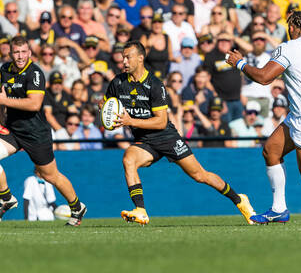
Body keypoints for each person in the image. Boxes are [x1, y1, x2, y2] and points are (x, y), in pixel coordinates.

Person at [103, 40, 256, 226]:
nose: (124, 61)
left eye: (128, 57)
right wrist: (106, 111)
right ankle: (141, 210)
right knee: (128, 159)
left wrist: (130, 121)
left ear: (140, 58)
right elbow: (106, 104)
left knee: (200, 175)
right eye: (122, 57)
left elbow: (161, 122)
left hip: (166, 137)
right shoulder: (117, 83)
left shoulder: (155, 85)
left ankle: (240, 200)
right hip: (144, 141)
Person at [226, 11, 301, 224]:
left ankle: (279, 209)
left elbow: (264, 78)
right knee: (271, 151)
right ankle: (279, 209)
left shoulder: (288, 47)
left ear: (292, 28)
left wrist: (240, 63)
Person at [0, 36, 86, 225]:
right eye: (16, 52)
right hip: (13, 131)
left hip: (36, 133)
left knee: (50, 175)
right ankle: (6, 198)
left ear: (30, 53)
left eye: (24, 52)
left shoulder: (35, 73)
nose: (20, 56)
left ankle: (77, 207)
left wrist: (4, 101)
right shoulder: (4, 70)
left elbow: (34, 104)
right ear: (10, 52)